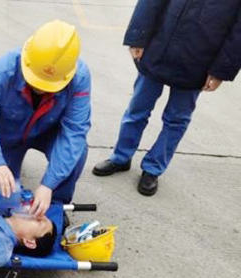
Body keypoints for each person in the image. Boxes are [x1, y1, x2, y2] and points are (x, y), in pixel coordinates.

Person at [93, 0, 241, 196]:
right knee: (137, 109)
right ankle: (121, 157)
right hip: (159, 46)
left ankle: (153, 169)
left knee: (176, 120)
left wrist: (221, 70)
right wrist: (138, 37)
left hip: (199, 61)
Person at [0, 20, 91, 219]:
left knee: (78, 152)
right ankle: (6, 166)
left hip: (49, 132)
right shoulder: (2, 71)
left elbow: (74, 132)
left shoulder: (79, 78)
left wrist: (48, 185)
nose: (40, 88)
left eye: (48, 85)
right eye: (36, 81)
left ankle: (55, 205)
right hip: (8, 134)